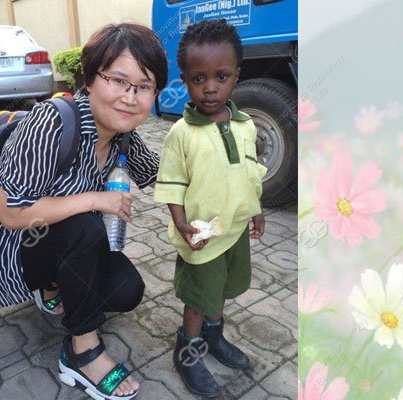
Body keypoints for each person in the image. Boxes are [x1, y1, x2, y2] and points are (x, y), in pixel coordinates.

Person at [0, 23, 167, 400]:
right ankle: (82, 351)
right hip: (8, 249)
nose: (129, 97)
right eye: (118, 81)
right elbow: (12, 214)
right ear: (89, 79)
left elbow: (161, 176)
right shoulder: (52, 122)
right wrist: (96, 199)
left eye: (144, 86)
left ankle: (53, 285)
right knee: (87, 225)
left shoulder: (122, 135)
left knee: (126, 290)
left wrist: (212, 196)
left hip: (58, 247)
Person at [153, 19, 266, 398]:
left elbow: (249, 171)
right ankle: (187, 349)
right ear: (184, 80)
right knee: (197, 297)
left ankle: (214, 338)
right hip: (201, 233)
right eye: (199, 79)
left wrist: (256, 209)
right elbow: (172, 183)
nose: (211, 87)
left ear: (237, 75)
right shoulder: (181, 134)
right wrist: (181, 223)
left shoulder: (245, 124)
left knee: (221, 289)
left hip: (233, 230)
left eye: (221, 76)